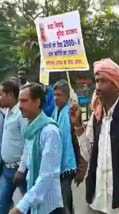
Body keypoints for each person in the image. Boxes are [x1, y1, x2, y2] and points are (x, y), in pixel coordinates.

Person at [70, 58, 119, 214]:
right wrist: (78, 126)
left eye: (103, 81)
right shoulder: (96, 116)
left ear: (116, 84)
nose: (98, 86)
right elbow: (89, 155)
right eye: (97, 81)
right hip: (96, 203)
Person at [10, 83, 63, 214]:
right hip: (35, 200)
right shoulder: (31, 127)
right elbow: (27, 150)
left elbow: (47, 175)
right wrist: (21, 169)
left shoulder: (49, 131)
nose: (20, 106)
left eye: (24, 101)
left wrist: (20, 207)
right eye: (19, 101)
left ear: (37, 102)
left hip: (49, 204)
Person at [52, 80, 87, 214]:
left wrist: (81, 169)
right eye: (54, 94)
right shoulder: (55, 112)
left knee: (64, 200)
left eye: (59, 95)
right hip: (56, 163)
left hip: (67, 165)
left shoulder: (71, 113)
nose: (56, 98)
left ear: (67, 96)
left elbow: (78, 142)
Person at [0, 79, 27, 214]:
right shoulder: (7, 113)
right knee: (2, 203)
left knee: (29, 204)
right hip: (7, 170)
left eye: (1, 94)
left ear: (10, 94)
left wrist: (21, 169)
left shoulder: (20, 115)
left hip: (20, 170)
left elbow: (27, 143)